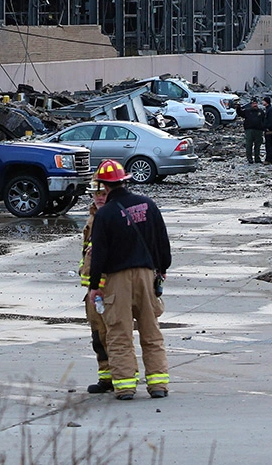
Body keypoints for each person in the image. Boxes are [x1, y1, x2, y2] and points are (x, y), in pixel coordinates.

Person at [87, 159, 171, 400]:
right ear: (125, 180)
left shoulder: (105, 215)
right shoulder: (148, 205)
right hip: (147, 275)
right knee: (151, 330)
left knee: (119, 333)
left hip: (117, 280)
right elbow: (162, 242)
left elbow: (99, 254)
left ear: (104, 185)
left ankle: (124, 387)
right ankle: (158, 385)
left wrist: (94, 287)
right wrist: (162, 269)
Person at [79, 185, 112, 394]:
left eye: (103, 193)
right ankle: (106, 377)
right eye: (96, 193)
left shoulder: (112, 217)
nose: (99, 198)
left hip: (109, 288)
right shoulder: (93, 218)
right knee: (98, 337)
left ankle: (124, 376)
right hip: (93, 290)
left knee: (115, 336)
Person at [240, 98, 264, 164]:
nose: (255, 105)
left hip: (258, 130)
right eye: (253, 104)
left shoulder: (261, 112)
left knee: (258, 145)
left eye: (256, 103)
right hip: (249, 130)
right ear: (251, 104)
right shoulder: (247, 111)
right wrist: (238, 107)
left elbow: (264, 120)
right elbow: (240, 113)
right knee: (249, 144)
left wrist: (264, 128)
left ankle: (257, 158)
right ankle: (249, 158)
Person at [261, 96, 272, 165]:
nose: (262, 102)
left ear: (266, 102)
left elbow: (271, 120)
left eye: (263, 101)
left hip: (269, 130)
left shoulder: (270, 110)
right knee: (268, 144)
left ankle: (269, 159)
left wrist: (268, 128)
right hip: (268, 129)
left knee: (269, 144)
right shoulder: (268, 109)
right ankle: (269, 159)